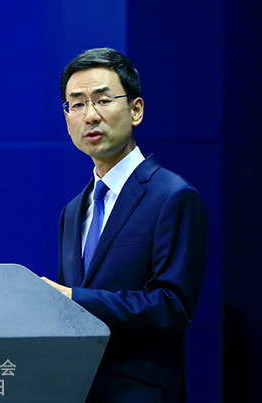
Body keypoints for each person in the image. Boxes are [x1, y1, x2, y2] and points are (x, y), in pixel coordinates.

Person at [41, 48, 208, 402]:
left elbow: (172, 306)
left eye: (103, 101)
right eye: (77, 104)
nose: (90, 116)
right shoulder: (72, 211)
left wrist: (74, 299)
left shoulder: (172, 195)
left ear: (136, 110)